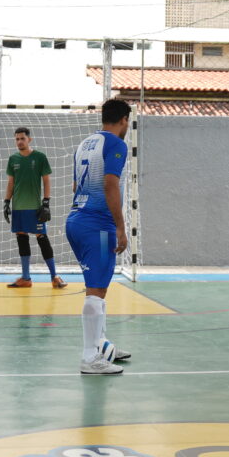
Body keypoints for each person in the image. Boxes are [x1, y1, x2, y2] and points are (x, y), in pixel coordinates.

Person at [66, 99, 134, 373]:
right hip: (98, 226)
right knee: (96, 291)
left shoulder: (86, 143)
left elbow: (75, 185)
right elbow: (109, 184)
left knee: (99, 288)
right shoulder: (116, 144)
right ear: (124, 120)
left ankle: (101, 344)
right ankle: (89, 357)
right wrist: (120, 226)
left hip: (77, 220)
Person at [3, 126, 65, 289]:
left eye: (22, 138)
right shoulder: (13, 159)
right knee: (21, 239)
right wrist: (6, 202)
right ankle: (26, 278)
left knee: (42, 238)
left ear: (29, 139)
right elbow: (11, 182)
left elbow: (46, 180)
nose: (19, 141)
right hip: (18, 208)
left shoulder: (39, 157)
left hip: (34, 208)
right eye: (17, 139)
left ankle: (54, 277)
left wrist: (46, 202)